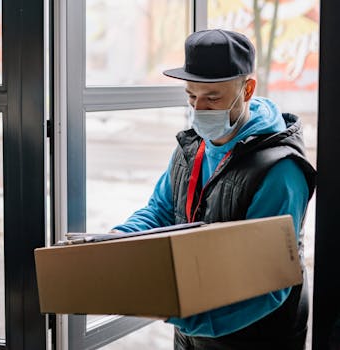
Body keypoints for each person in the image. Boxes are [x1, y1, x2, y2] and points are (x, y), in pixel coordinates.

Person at [112, 29, 316, 349]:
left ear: (247, 89)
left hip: (253, 337)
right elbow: (161, 211)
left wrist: (188, 316)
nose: (199, 109)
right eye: (191, 96)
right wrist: (115, 244)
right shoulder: (191, 148)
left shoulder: (280, 170)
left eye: (212, 98)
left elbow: (270, 286)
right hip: (193, 334)